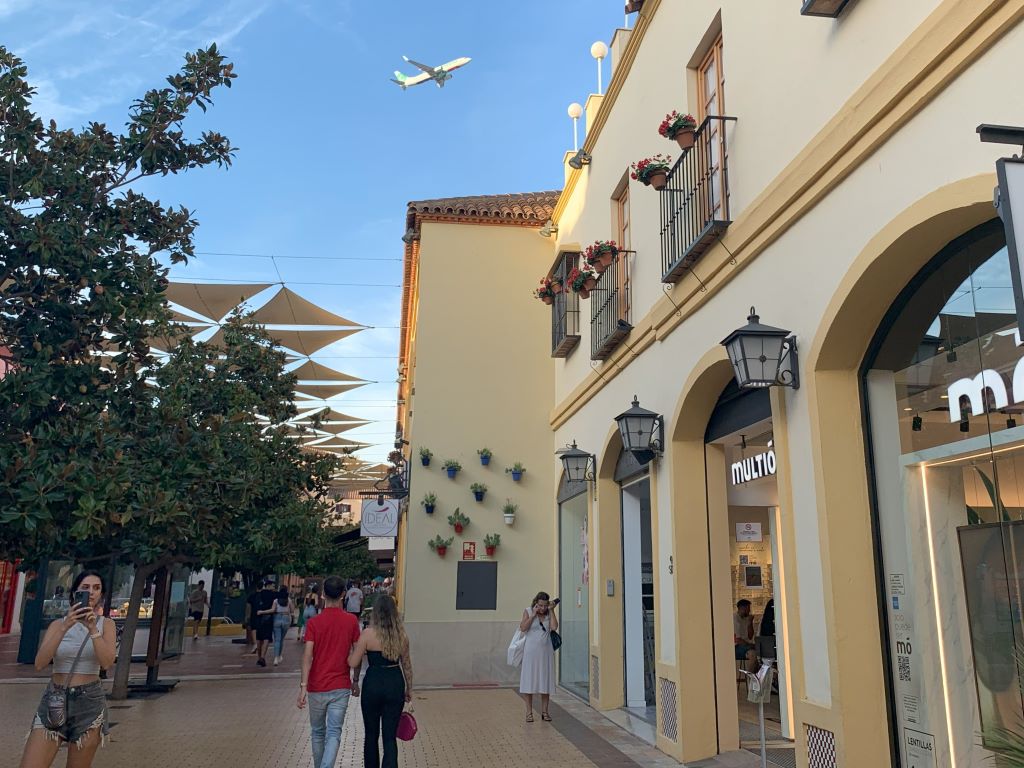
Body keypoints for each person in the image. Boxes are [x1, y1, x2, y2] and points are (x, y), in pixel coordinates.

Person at [20, 570, 116, 768]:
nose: (91, 592)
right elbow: (40, 663)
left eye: (96, 588)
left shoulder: (106, 625)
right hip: (55, 699)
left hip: (88, 703)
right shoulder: (58, 625)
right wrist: (66, 626)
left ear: (101, 595)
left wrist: (92, 629)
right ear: (74, 593)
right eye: (85, 588)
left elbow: (107, 662)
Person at [297, 576, 361, 768]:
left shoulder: (314, 623)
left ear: (323, 595)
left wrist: (303, 687)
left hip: (316, 686)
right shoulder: (351, 621)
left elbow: (307, 656)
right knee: (334, 732)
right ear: (343, 595)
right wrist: (355, 680)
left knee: (317, 732)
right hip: (340, 685)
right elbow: (357, 654)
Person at [349, 595, 413, 768]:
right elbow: (407, 665)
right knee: (390, 736)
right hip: (395, 683)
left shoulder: (368, 634)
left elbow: (354, 662)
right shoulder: (401, 635)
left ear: (376, 613)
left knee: (371, 734)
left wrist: (354, 676)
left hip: (373, 684)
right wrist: (409, 689)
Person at [518, 591, 558, 723]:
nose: (543, 608)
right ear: (536, 603)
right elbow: (523, 628)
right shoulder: (528, 611)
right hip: (530, 653)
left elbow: (554, 627)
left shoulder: (548, 612)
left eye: (545, 605)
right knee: (528, 681)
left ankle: (545, 712)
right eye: (540, 605)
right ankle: (529, 712)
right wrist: (533, 615)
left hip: (546, 653)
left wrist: (551, 611)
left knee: (545, 682)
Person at [254, 578, 278, 667]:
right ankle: (263, 657)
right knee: (266, 638)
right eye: (272, 585)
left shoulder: (258, 595)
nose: (273, 587)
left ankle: (259, 657)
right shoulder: (273, 595)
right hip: (268, 618)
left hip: (258, 618)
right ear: (269, 585)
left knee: (259, 639)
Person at [271, 586, 293, 666]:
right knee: (281, 639)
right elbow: (292, 610)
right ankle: (280, 655)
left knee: (277, 639)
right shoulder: (289, 600)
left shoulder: (276, 600)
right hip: (286, 618)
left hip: (277, 618)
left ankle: (276, 658)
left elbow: (273, 610)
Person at [734, 599, 757, 673]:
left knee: (760, 650)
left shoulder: (746, 619)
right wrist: (750, 645)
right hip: (737, 647)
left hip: (745, 645)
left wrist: (750, 623)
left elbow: (750, 636)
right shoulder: (735, 619)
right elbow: (737, 640)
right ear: (742, 608)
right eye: (748, 609)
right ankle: (750, 676)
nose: (749, 611)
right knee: (753, 654)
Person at [243, 582, 261, 655]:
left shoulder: (252, 596)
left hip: (254, 614)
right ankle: (259, 643)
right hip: (262, 614)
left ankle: (255, 643)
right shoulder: (264, 596)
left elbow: (248, 606)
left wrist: (247, 616)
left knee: (253, 629)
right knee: (260, 629)